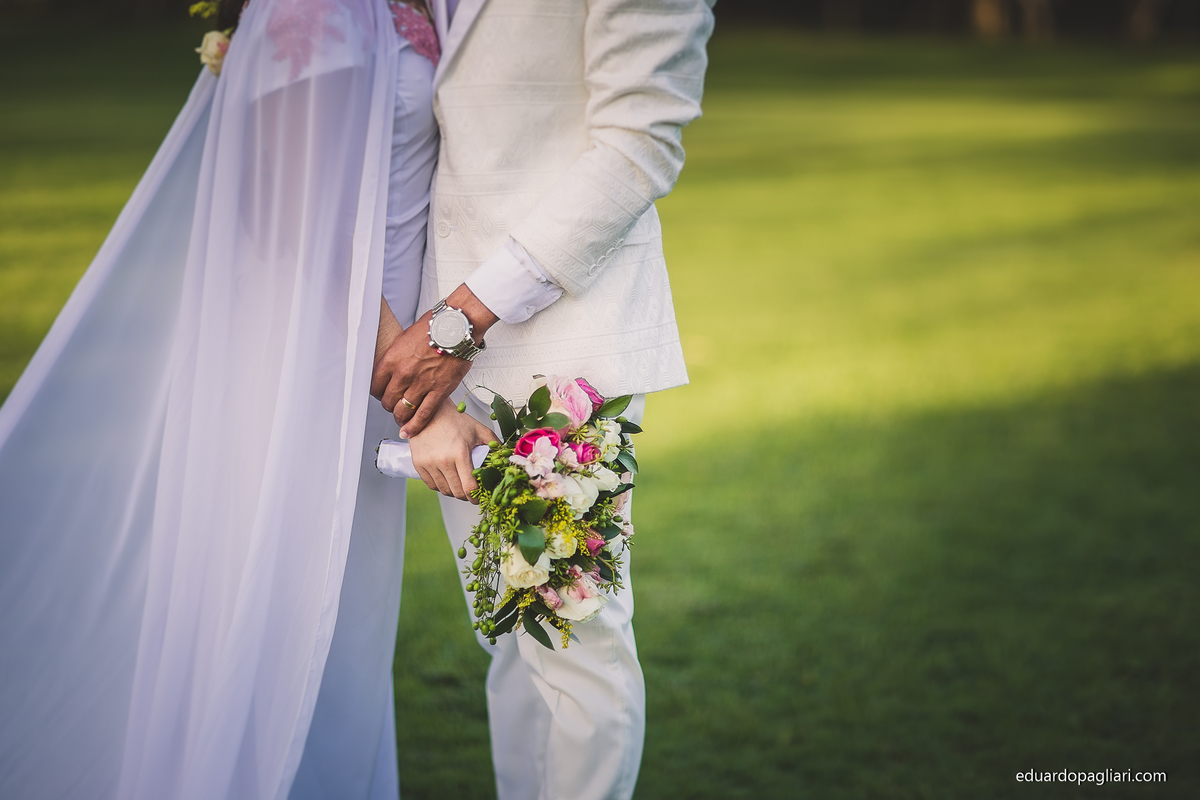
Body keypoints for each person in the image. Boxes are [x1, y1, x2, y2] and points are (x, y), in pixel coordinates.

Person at [0, 1, 444, 797]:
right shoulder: (313, 10)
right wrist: (415, 379)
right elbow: (294, 215)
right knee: (277, 609)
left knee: (346, 619)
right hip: (307, 363)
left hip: (376, 365)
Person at [371, 1, 716, 798]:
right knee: (510, 637)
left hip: (563, 344)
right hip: (439, 347)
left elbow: (641, 142)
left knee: (577, 641)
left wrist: (458, 321)